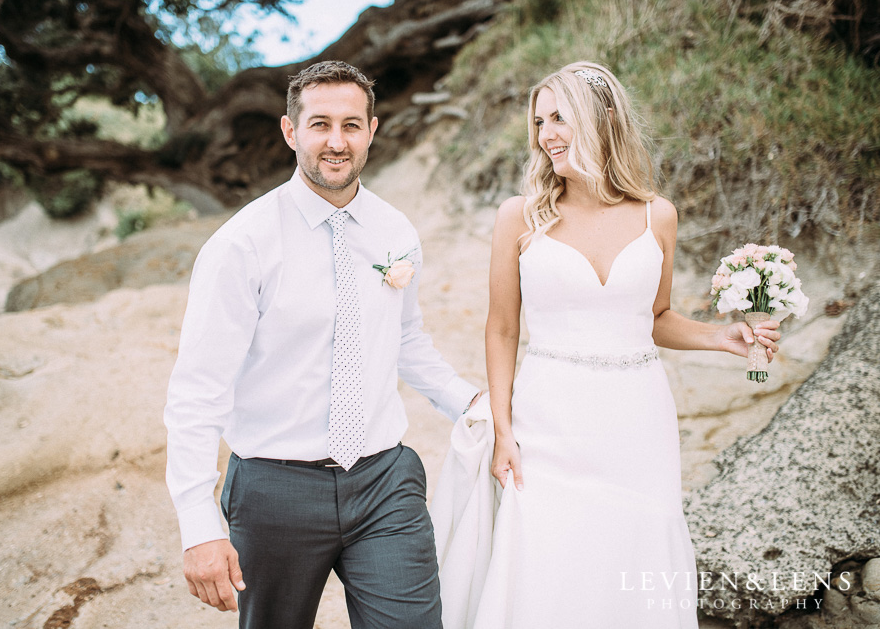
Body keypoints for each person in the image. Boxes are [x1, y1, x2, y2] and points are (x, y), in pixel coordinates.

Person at [163, 60, 481, 629]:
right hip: (273, 490)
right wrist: (197, 521)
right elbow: (198, 390)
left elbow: (407, 339)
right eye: (320, 125)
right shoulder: (241, 245)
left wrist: (473, 406)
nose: (337, 142)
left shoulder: (396, 232)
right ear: (291, 131)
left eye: (352, 125)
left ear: (372, 130)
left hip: (385, 481)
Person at [464, 62, 781, 627]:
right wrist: (504, 432)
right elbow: (502, 328)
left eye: (561, 117)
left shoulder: (658, 215)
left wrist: (720, 337)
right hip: (547, 419)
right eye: (539, 121)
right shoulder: (519, 216)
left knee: (634, 546)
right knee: (548, 557)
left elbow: (652, 318)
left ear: (603, 118)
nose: (546, 134)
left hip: (637, 421)